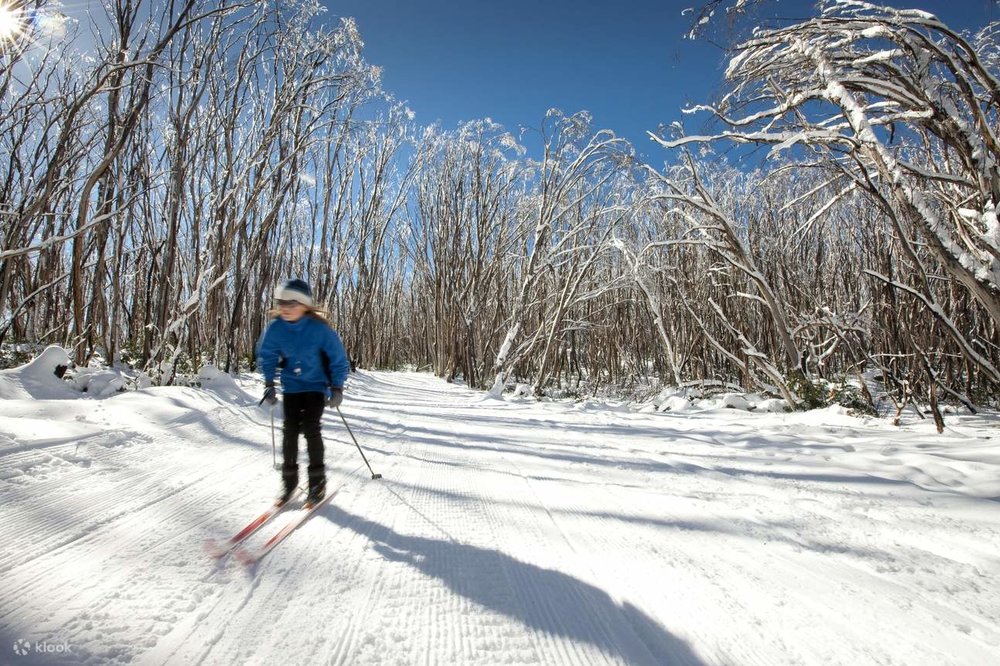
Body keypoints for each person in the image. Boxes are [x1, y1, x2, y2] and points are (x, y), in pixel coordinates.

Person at [256, 279, 350, 507]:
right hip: (292, 387)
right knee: (289, 431)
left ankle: (317, 484)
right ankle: (289, 483)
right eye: (281, 303)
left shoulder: (319, 329)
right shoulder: (276, 328)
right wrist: (269, 383)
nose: (285, 308)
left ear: (305, 305)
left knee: (310, 429)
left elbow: (338, 360)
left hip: (316, 386)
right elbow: (267, 355)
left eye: (292, 303)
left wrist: (337, 387)